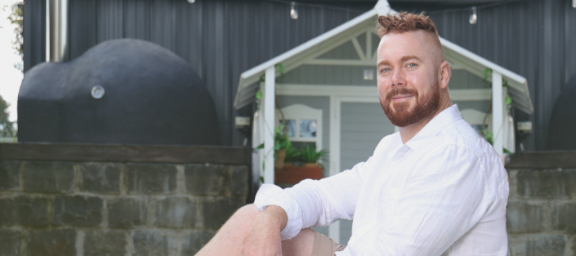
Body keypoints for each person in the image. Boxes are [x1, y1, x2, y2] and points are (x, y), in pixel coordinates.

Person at [196, 12, 509, 256]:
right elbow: (325, 196)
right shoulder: (393, 150)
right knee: (252, 221)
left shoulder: (459, 153)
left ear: (442, 75)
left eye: (410, 65)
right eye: (385, 69)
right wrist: (271, 216)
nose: (396, 80)